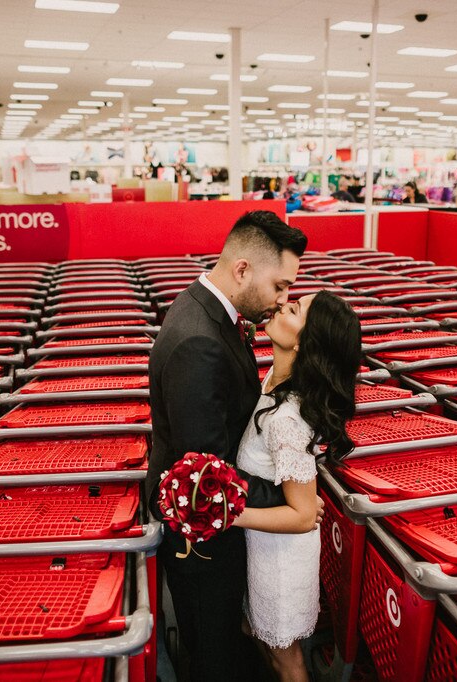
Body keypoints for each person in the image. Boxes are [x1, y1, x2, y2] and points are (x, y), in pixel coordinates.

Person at [147, 210, 316, 682]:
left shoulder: (209, 312)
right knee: (212, 654)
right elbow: (206, 476)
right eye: (279, 286)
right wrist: (290, 498)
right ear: (242, 269)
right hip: (203, 543)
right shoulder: (200, 342)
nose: (283, 299)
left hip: (223, 530)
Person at [233, 291, 360, 682]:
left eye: (293, 310)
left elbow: (305, 515)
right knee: (260, 639)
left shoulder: (287, 419)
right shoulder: (276, 377)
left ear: (304, 342)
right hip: (264, 544)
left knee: (287, 662)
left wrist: (229, 514)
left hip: (281, 560)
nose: (280, 306)